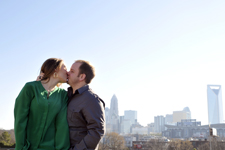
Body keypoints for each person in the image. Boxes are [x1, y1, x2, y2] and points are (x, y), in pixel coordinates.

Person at [14, 58, 70, 150]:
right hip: (27, 148)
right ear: (55, 69)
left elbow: (62, 126)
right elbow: (20, 120)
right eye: (65, 68)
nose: (67, 72)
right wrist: (21, 147)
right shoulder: (30, 88)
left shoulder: (63, 95)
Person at [67, 60, 105, 150]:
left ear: (81, 76)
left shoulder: (91, 99)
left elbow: (96, 131)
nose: (67, 73)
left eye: (72, 71)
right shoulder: (67, 96)